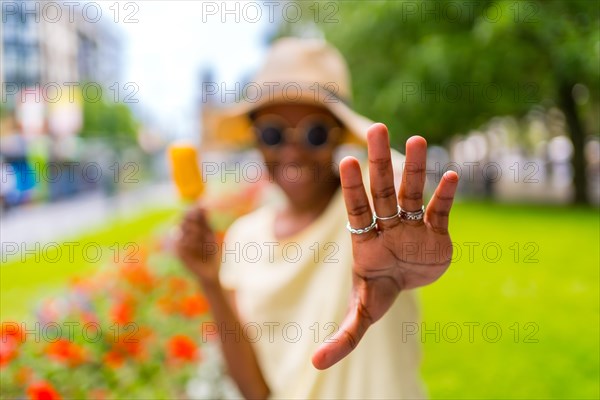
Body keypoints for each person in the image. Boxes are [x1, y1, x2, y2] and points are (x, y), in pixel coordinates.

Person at [176, 37, 459, 399]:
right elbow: (256, 391)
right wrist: (209, 280)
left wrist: (411, 257)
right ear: (255, 138)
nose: (292, 151)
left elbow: (403, 180)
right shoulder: (243, 238)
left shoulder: (372, 212)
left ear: (339, 135)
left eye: (314, 133)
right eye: (273, 133)